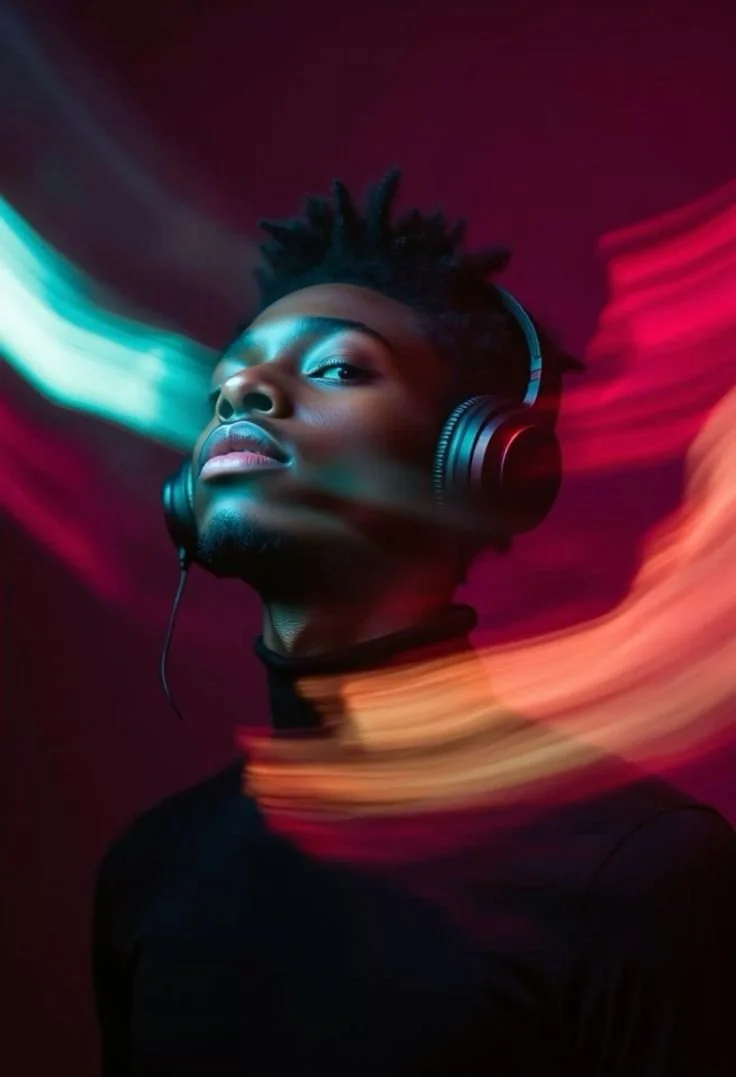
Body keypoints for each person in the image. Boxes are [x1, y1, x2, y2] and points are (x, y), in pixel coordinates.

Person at [92, 169, 736, 1076]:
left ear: (476, 463)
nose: (245, 396)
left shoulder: (643, 872)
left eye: (337, 367)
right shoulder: (150, 872)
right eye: (226, 387)